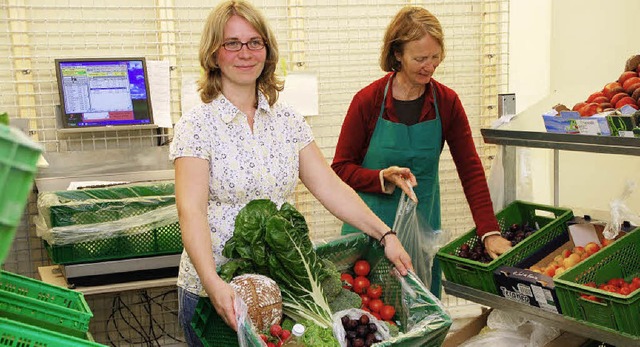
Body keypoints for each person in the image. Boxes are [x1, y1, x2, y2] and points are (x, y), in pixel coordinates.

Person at [169, 1, 414, 346]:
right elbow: (190, 211)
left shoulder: (287, 121)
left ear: (267, 51)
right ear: (213, 53)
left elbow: (329, 186)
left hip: (275, 289)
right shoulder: (197, 126)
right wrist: (213, 283)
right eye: (232, 43)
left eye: (255, 42)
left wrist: (385, 235)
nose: (245, 52)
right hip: (215, 291)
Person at [331, 6, 512, 298]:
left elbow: (470, 170)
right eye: (420, 59)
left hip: (422, 232)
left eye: (435, 57)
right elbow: (339, 169)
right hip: (368, 232)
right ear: (397, 54)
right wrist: (381, 178)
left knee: (420, 313)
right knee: (369, 317)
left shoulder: (447, 102)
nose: (429, 66)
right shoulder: (368, 101)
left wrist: (489, 231)